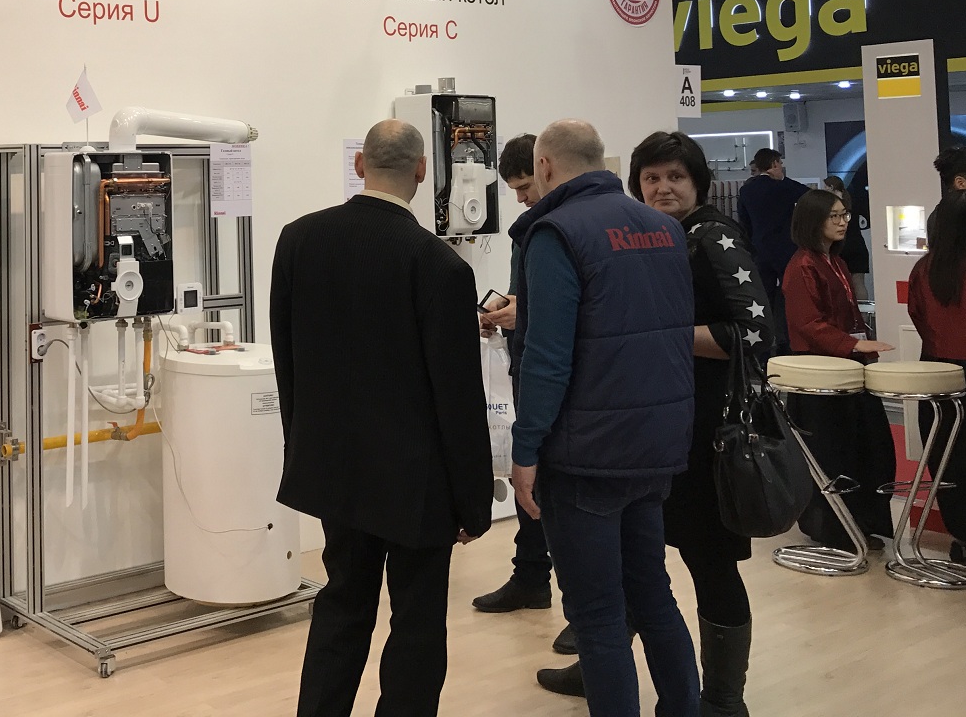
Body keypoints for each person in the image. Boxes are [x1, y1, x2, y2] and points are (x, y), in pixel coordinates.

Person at [272, 118, 493, 717]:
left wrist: (304, 452)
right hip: (418, 484)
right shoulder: (440, 265)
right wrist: (474, 501)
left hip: (335, 471)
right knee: (417, 623)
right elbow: (458, 397)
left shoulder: (298, 240)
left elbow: (288, 363)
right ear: (422, 170)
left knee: (342, 607)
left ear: (359, 165)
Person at [510, 119, 699, 717]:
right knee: (653, 594)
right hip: (655, 443)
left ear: (544, 166)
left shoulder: (556, 232)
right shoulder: (665, 229)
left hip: (585, 453)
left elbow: (546, 356)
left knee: (597, 617)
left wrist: (525, 447)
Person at [632, 132, 769, 717]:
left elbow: (755, 335)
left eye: (675, 177)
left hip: (708, 433)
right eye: (651, 178)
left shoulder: (713, 236)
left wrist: (660, 336)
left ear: (698, 182)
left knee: (709, 562)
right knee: (636, 555)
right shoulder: (659, 238)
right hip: (662, 425)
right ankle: (601, 665)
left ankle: (724, 700)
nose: (663, 188)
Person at [472, 134, 575, 657]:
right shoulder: (528, 229)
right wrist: (508, 310)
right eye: (511, 189)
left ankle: (584, 610)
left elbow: (571, 313)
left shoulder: (566, 229)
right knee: (528, 479)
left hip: (565, 381)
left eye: (525, 185)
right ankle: (531, 576)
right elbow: (530, 294)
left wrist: (525, 313)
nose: (520, 197)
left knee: (561, 492)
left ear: (548, 169)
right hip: (527, 365)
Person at [782, 189, 896, 546]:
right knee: (833, 453)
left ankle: (862, 523)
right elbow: (808, 324)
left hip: (847, 368)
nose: (843, 221)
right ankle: (835, 530)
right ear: (813, 220)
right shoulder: (802, 265)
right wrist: (854, 344)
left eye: (844, 214)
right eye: (834, 215)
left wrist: (859, 347)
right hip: (821, 376)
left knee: (867, 450)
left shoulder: (836, 262)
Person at [906, 191, 966, 551]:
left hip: (935, 371)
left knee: (947, 459)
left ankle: (961, 535)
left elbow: (917, 316)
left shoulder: (924, 268)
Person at [736, 148, 808, 354]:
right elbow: (808, 195)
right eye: (780, 164)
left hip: (759, 251)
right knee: (788, 297)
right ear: (775, 164)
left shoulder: (747, 191)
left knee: (763, 299)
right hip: (786, 250)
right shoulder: (785, 188)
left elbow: (744, 222)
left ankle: (764, 345)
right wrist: (783, 180)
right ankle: (788, 343)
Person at [823, 175, 870, 295]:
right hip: (858, 245)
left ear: (831, 187)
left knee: (840, 283)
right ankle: (862, 308)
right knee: (859, 283)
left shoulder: (831, 207)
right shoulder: (851, 201)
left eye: (825, 187)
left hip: (840, 246)